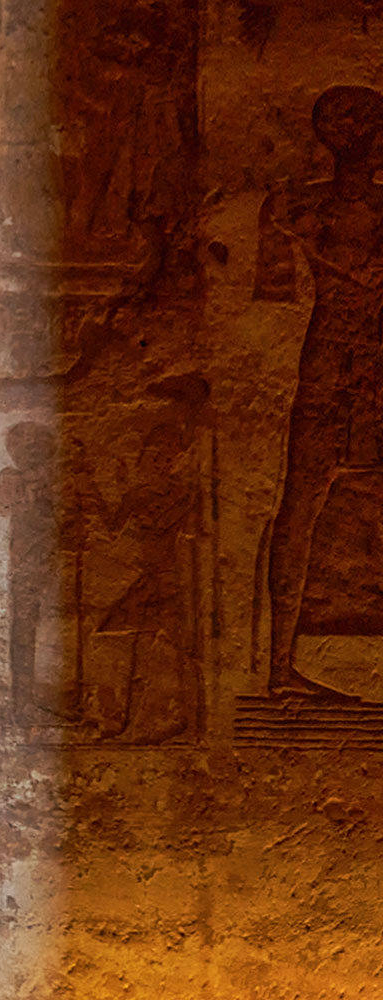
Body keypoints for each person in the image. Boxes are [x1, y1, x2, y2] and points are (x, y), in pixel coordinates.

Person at [255, 85, 383, 701]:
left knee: (316, 505)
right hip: (331, 358)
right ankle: (281, 670)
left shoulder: (297, 210)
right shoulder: (293, 207)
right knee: (300, 505)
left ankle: (291, 666)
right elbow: (271, 291)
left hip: (361, 357)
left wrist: (304, 236)